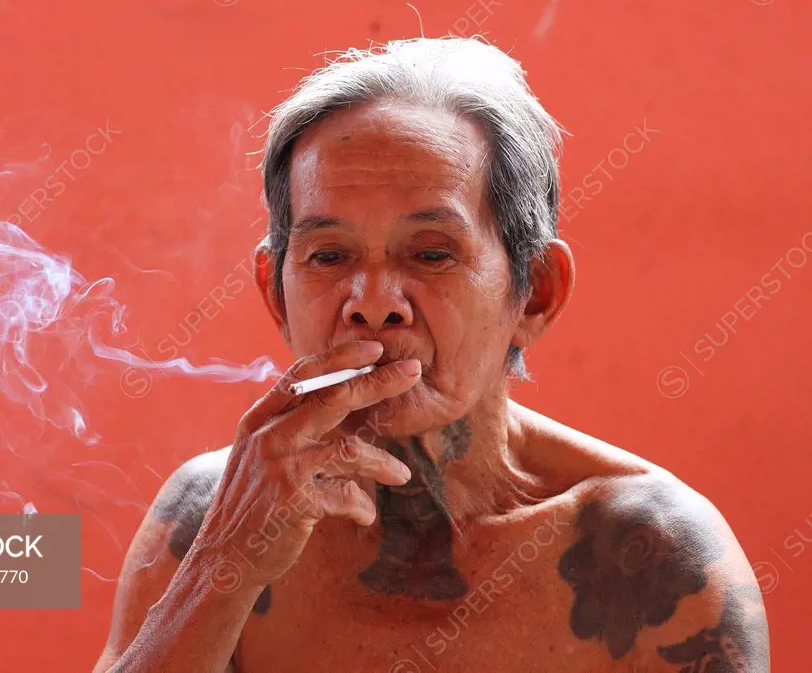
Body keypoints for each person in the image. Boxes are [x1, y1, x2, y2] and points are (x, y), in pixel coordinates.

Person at [93, 36, 770, 672]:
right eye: (329, 255)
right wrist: (223, 565)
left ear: (534, 294)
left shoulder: (652, 559)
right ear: (275, 294)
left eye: (431, 254)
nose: (374, 301)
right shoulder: (209, 518)